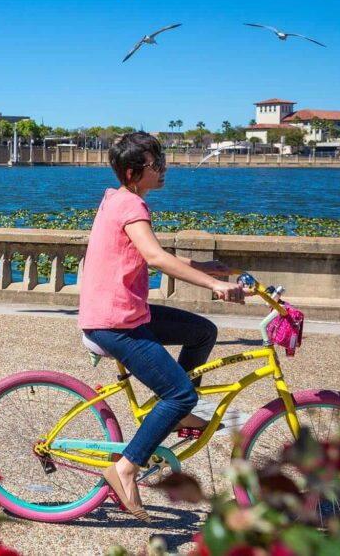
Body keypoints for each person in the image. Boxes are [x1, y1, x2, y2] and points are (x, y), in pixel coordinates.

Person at [78, 131, 246, 522]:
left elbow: (149, 250)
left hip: (127, 312)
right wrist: (216, 285)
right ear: (136, 173)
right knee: (180, 394)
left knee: (203, 332)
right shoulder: (130, 205)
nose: (165, 168)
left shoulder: (119, 199)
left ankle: (179, 412)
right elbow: (154, 256)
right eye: (157, 164)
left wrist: (203, 267)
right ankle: (124, 468)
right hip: (113, 322)